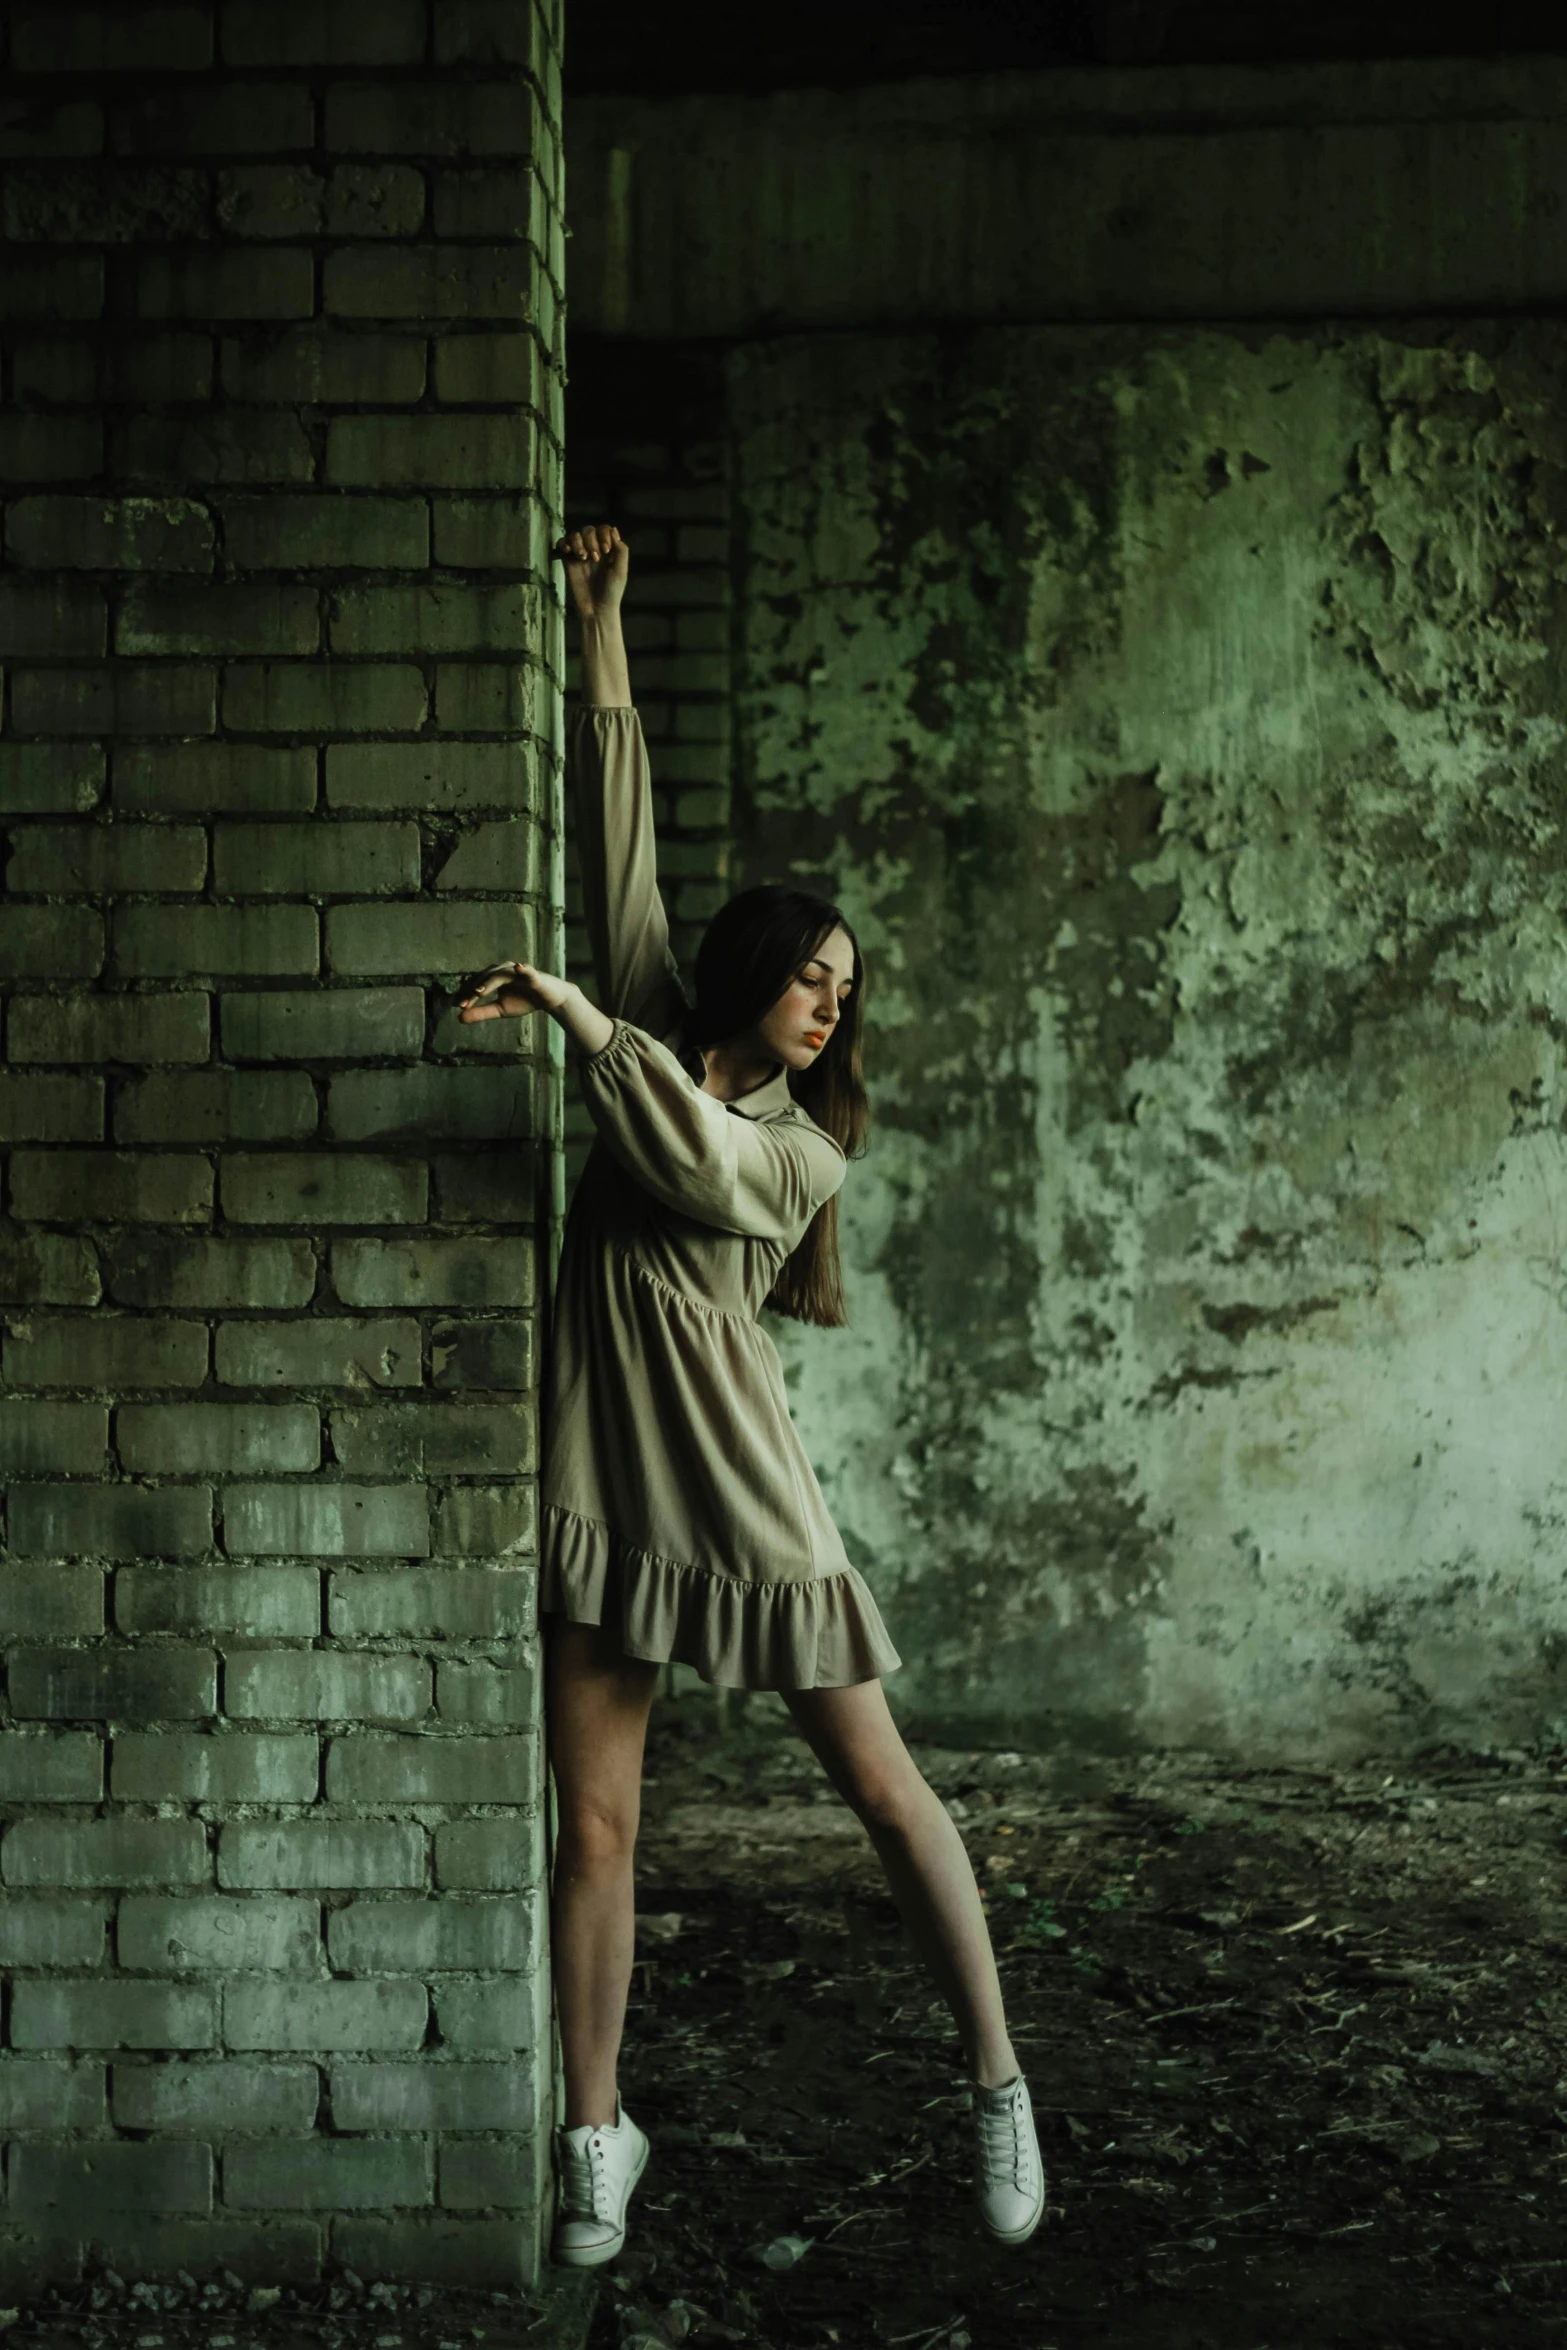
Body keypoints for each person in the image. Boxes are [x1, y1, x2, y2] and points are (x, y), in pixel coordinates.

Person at [458, 523, 1045, 2269]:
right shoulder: (660, 1012)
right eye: (812, 976)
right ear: (754, 968)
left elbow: (686, 1151)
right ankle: (594, 2123)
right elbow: (616, 822)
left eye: (846, 994)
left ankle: (999, 2080)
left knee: (881, 1788)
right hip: (601, 1480)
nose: (828, 1007)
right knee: (599, 1822)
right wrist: (600, 630)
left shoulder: (799, 1147)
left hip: (741, 1479)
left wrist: (567, 1008)